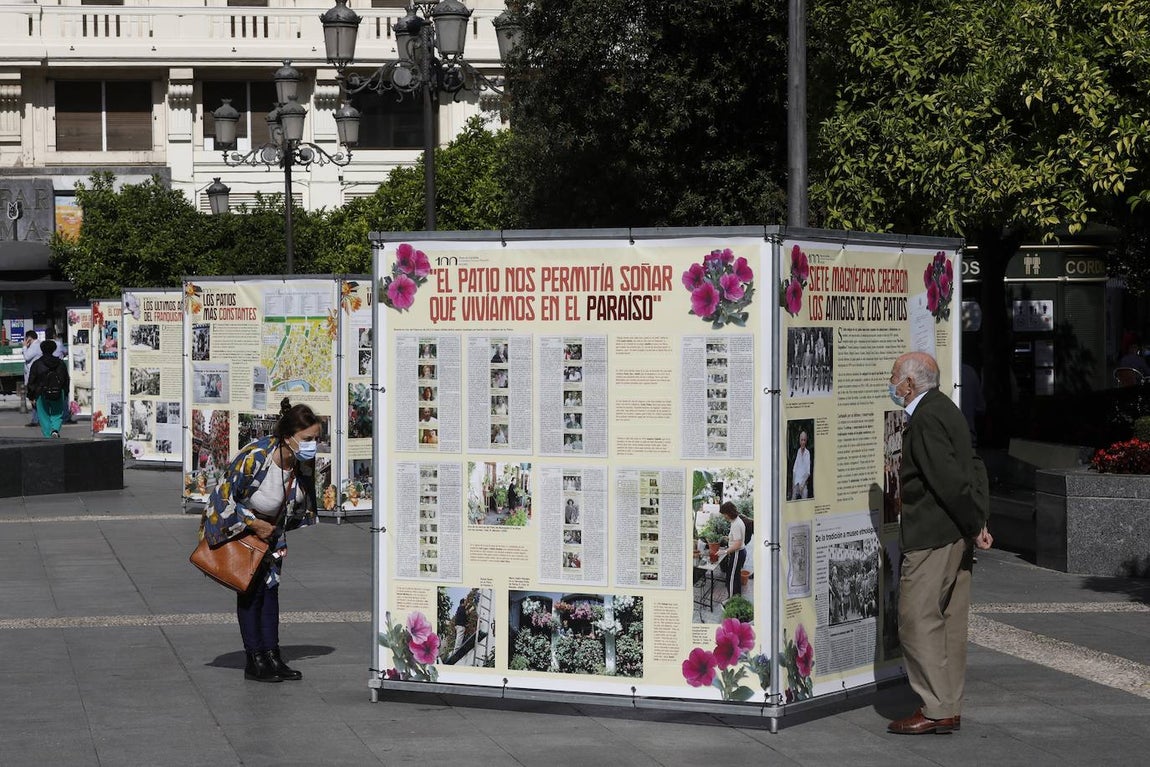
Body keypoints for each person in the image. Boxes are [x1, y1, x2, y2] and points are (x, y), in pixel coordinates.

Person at [886, 352, 992, 735]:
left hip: (934, 535)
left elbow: (948, 480)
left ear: (910, 384)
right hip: (954, 533)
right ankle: (948, 704)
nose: (892, 381)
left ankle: (936, 709)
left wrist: (974, 522)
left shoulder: (927, 418)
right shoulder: (945, 408)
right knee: (948, 622)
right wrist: (978, 520)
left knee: (916, 619)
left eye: (895, 375)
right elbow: (974, 464)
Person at [200, 397, 320, 683]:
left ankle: (272, 655)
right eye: (307, 438)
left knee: (271, 593)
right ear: (288, 436)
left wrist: (278, 529)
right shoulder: (256, 457)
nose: (313, 444)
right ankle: (254, 658)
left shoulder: (302, 463)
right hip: (244, 533)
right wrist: (252, 522)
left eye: (316, 438)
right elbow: (221, 498)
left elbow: (299, 499)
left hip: (272, 537)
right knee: (250, 591)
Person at [26, 340, 69, 438]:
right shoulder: (60, 363)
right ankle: (55, 430)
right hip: (58, 391)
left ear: (41, 350)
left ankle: (48, 436)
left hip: (41, 393)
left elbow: (31, 380)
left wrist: (31, 395)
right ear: (54, 349)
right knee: (57, 413)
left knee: (43, 415)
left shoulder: (37, 364)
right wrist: (65, 392)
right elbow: (66, 379)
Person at [717, 502, 747, 598]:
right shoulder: (737, 521)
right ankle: (736, 599)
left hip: (737, 553)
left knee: (731, 578)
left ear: (729, 512)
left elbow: (738, 544)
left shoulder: (736, 524)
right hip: (740, 552)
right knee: (736, 577)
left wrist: (725, 551)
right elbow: (738, 539)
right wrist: (728, 538)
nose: (724, 517)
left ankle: (730, 600)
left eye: (724, 514)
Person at [22, 331, 41, 427]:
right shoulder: (36, 345)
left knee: (33, 398)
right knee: (33, 398)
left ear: (29, 338)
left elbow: (26, 356)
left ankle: (36, 419)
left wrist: (25, 346)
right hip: (33, 376)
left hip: (33, 377)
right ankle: (35, 419)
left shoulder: (35, 346)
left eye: (26, 338)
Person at [791, 431, 811, 499]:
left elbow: (808, 472)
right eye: (801, 440)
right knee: (793, 499)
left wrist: (802, 485)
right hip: (796, 482)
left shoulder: (807, 453)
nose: (803, 442)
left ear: (806, 441)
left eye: (804, 440)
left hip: (803, 483)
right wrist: (793, 483)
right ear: (799, 441)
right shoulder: (798, 451)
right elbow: (794, 469)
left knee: (805, 498)